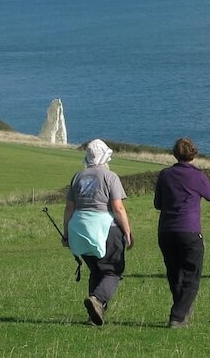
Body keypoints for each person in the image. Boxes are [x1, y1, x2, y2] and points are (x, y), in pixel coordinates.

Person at [63, 139, 134, 327]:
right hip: (104, 229)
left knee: (96, 269)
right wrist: (127, 232)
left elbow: (69, 208)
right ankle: (97, 299)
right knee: (112, 271)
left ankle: (94, 315)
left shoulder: (77, 177)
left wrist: (66, 234)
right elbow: (118, 208)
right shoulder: (110, 177)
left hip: (79, 229)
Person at [154, 138, 210, 328]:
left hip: (166, 230)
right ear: (194, 154)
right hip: (189, 230)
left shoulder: (165, 175)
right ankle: (178, 315)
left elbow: (158, 204)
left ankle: (181, 311)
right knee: (192, 274)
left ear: (175, 154)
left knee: (174, 273)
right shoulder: (196, 175)